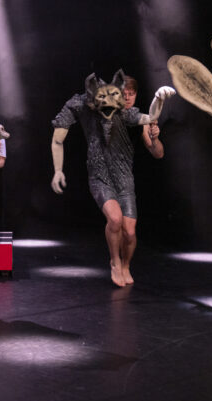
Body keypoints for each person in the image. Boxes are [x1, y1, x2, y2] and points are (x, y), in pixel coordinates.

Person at [51, 71, 168, 287]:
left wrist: (155, 136)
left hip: (124, 178)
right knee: (115, 219)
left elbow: (157, 152)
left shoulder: (134, 117)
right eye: (125, 93)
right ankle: (115, 261)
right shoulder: (95, 108)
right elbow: (59, 137)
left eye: (132, 94)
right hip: (100, 175)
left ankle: (126, 265)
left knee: (129, 232)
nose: (128, 97)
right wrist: (58, 170)